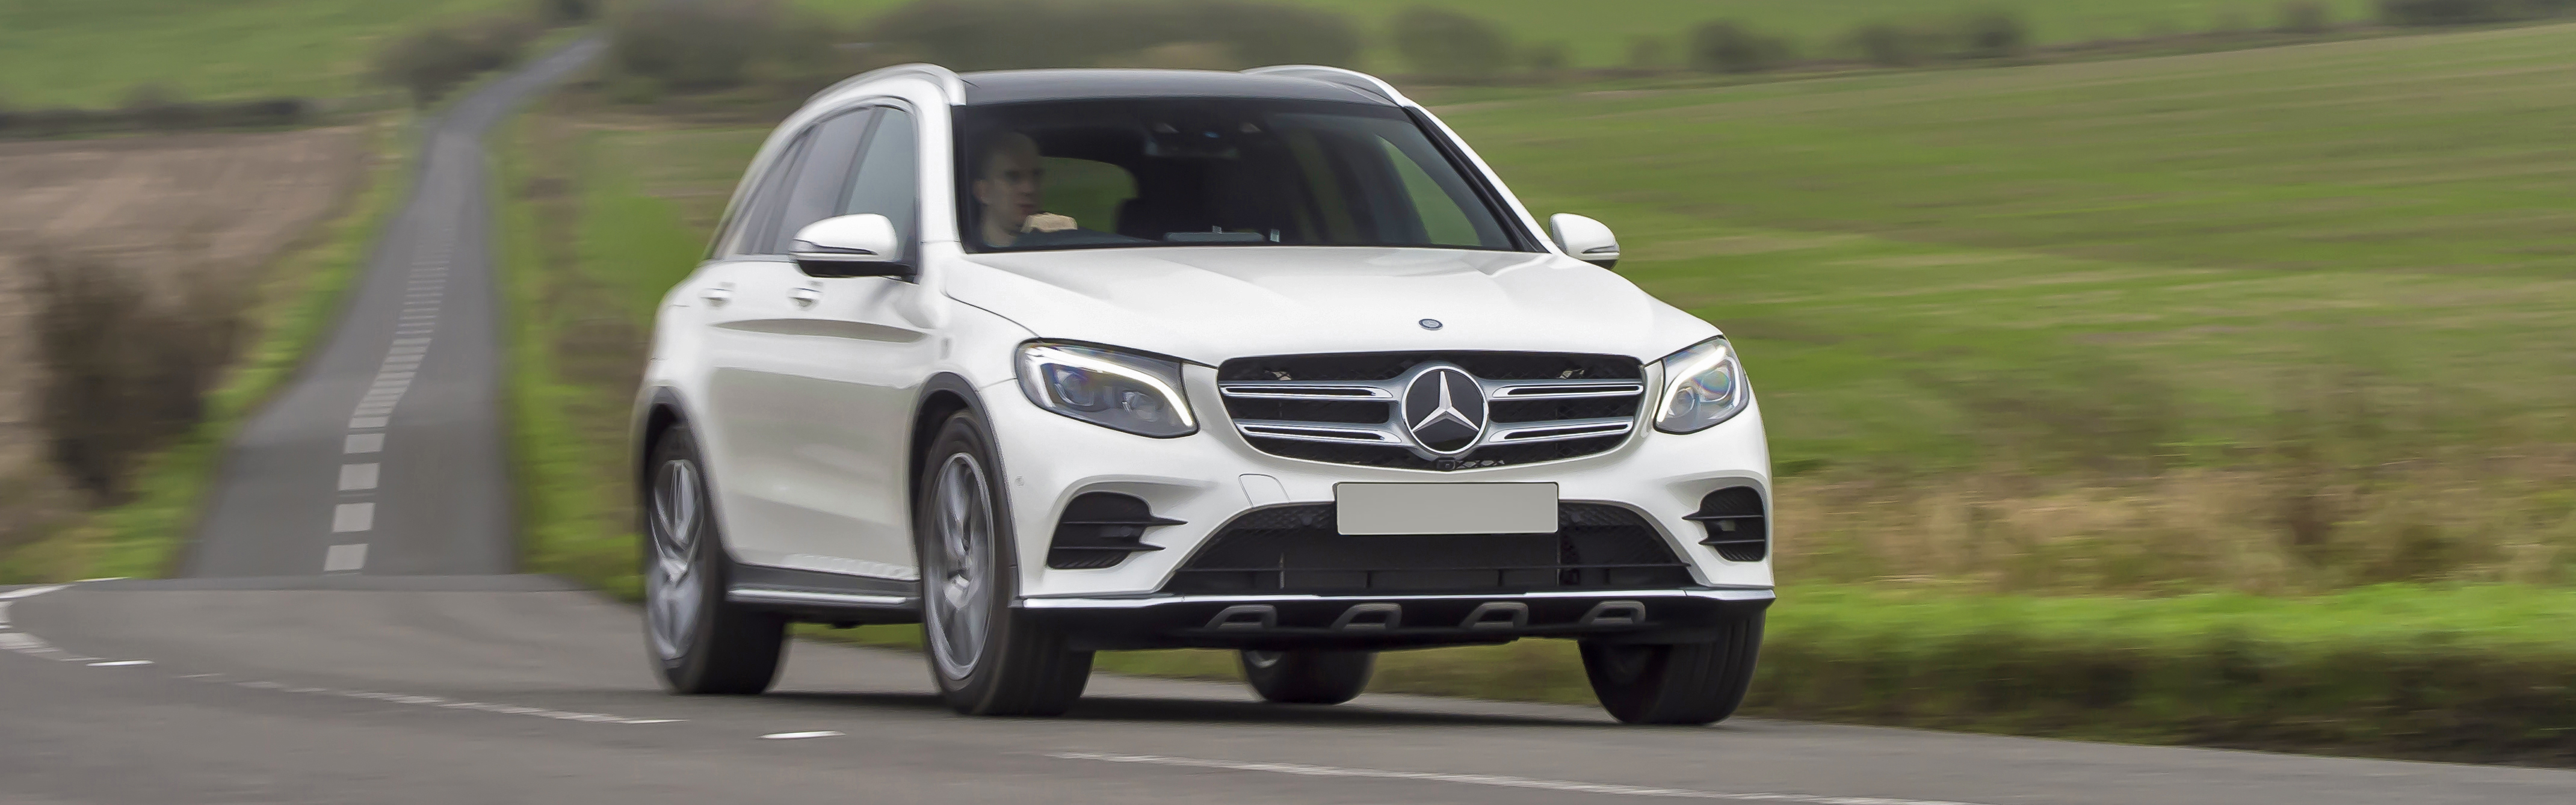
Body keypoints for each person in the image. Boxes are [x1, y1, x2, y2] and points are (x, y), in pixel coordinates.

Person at [973, 132, 1077, 248]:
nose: (1030, 189)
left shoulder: (1059, 240)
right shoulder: (964, 250)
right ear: (984, 192)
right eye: (1013, 177)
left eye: (1036, 176)